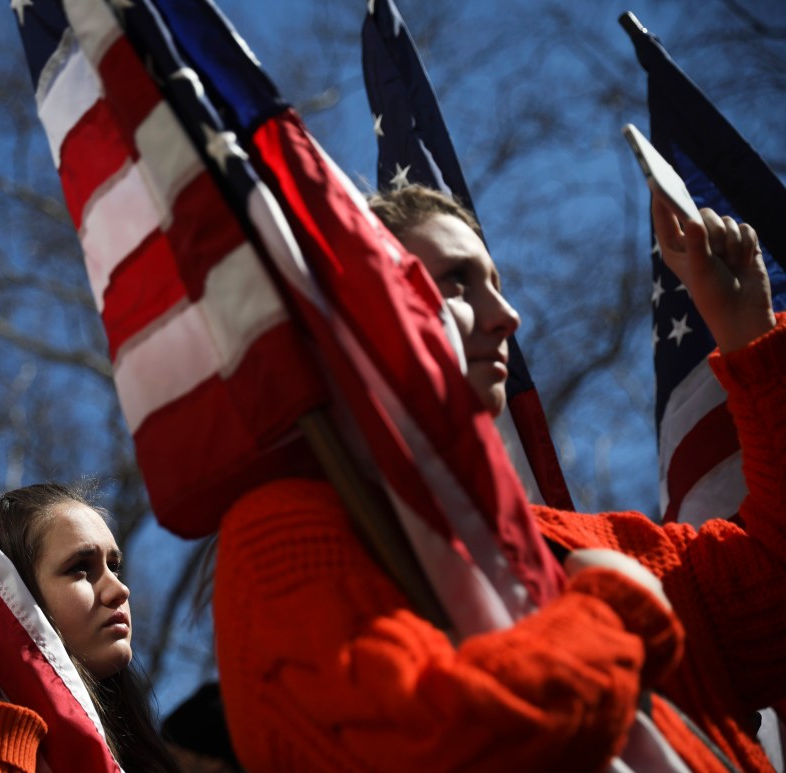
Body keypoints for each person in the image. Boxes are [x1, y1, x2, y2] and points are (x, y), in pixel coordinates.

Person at [212, 184, 786, 771]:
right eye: (455, 281)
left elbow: (776, 589)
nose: (507, 317)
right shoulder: (285, 528)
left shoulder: (598, 545)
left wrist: (750, 335)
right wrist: (615, 617)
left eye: (496, 284)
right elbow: (424, 742)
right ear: (358, 306)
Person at [0, 482, 180, 773]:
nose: (120, 589)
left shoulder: (147, 754)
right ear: (11, 597)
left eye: (114, 566)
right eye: (80, 568)